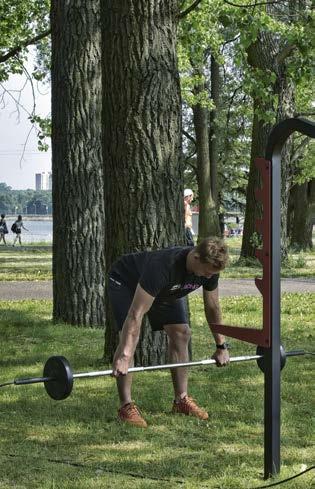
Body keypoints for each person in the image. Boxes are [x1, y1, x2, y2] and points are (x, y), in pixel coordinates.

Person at [109, 236, 230, 428]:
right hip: (127, 281)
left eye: (211, 274)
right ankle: (126, 406)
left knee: (182, 333)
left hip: (165, 289)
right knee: (130, 340)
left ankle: (181, 400)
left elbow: (213, 307)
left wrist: (221, 345)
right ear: (196, 257)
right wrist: (125, 354)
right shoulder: (163, 266)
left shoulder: (210, 269)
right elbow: (136, 314)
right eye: (206, 273)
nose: (208, 277)